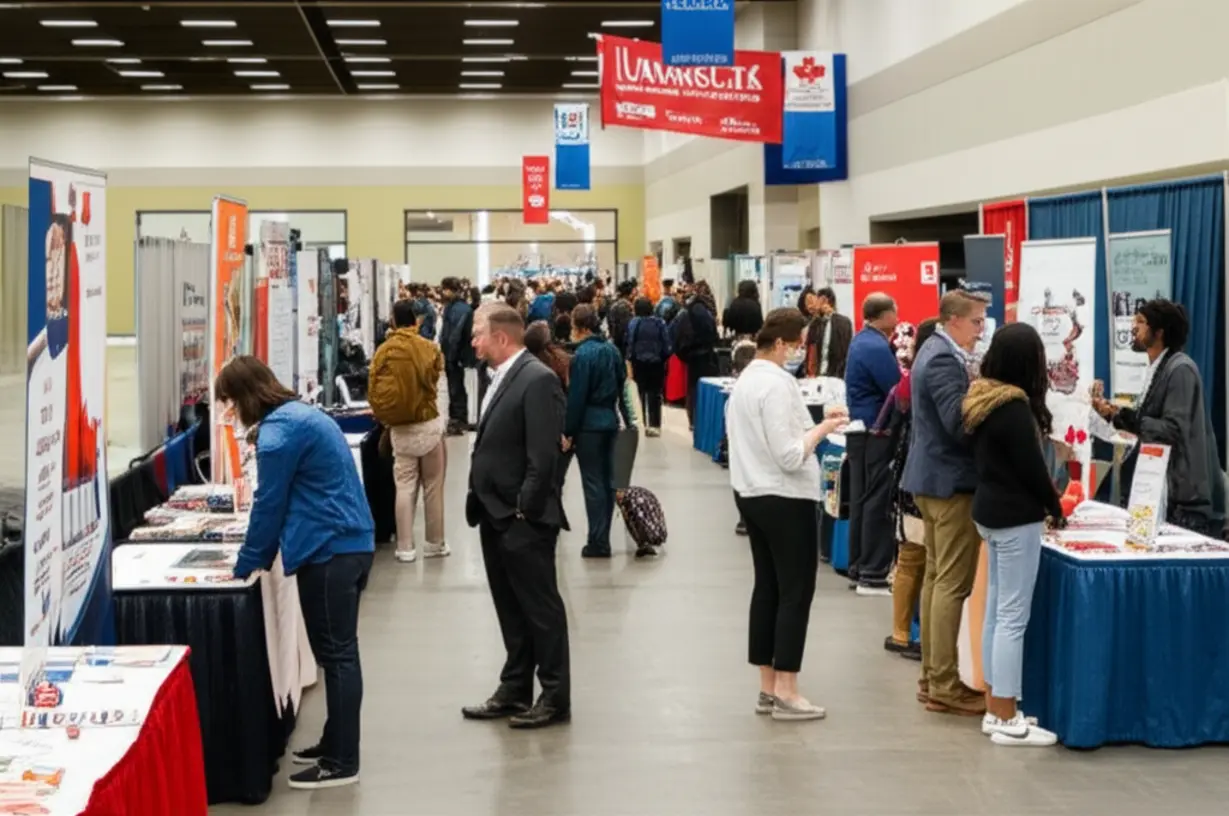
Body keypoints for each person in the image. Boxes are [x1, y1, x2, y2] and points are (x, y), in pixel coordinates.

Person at [216, 356, 374, 790]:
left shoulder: (278, 433)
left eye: (228, 402)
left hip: (329, 553)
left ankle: (343, 761)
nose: (228, 413)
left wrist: (248, 561)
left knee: (338, 656)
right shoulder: (299, 415)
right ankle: (335, 741)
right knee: (338, 654)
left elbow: (269, 504)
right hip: (346, 544)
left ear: (243, 396)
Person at [728, 308, 848, 722]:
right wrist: (824, 429)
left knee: (769, 589)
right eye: (797, 345)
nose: (800, 353)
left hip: (752, 493)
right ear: (781, 344)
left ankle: (767, 686)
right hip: (784, 497)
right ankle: (788, 690)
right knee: (795, 593)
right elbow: (790, 454)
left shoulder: (746, 380)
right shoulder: (776, 386)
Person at [462, 303, 571, 729]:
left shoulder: (537, 380)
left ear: (501, 337)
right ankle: (514, 688)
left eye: (478, 333)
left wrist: (524, 509)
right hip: (494, 514)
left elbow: (543, 456)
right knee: (510, 608)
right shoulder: (501, 379)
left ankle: (555, 696)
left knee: (541, 610)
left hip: (522, 519)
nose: (472, 340)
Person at [962, 322, 1064, 746]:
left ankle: (995, 708)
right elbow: (1033, 471)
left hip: (989, 512)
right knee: (1012, 618)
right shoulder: (1014, 407)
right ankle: (1006, 716)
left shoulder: (982, 399)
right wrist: (1056, 507)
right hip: (1016, 517)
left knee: (996, 614)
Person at [902, 289, 988, 716]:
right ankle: (943, 684)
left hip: (937, 479)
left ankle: (934, 677)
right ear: (954, 319)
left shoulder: (937, 352)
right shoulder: (940, 358)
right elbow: (957, 421)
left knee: (938, 580)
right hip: (949, 483)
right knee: (950, 583)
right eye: (976, 321)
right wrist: (990, 397)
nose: (981, 329)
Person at [1093, 299, 1225, 537]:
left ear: (1159, 332)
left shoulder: (1180, 370)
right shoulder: (1161, 368)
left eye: (1141, 322)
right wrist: (1112, 414)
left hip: (1184, 504)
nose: (1134, 328)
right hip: (1161, 496)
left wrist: (1128, 419)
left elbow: (1172, 430)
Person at [875, 317, 938, 660]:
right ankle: (924, 634)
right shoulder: (931, 381)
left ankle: (900, 632)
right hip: (924, 481)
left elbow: (886, 425)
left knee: (908, 558)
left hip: (904, 477)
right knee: (928, 561)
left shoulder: (906, 383)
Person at [367, 299, 447, 563]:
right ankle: (434, 543)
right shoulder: (428, 348)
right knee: (433, 486)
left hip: (399, 429)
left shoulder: (383, 351)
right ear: (417, 320)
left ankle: (404, 547)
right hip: (428, 424)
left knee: (404, 486)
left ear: (392, 320)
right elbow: (435, 380)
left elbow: (373, 388)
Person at [843, 293, 901, 595]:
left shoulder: (863, 341)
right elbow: (895, 388)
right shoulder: (875, 346)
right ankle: (873, 571)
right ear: (886, 315)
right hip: (874, 431)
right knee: (876, 500)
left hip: (862, 431)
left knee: (863, 500)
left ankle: (859, 566)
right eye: (895, 310)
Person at [566, 304, 633, 558]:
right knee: (608, 482)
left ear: (580, 328)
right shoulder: (612, 351)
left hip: (588, 427)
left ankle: (598, 540)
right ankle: (603, 536)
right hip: (610, 421)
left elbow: (577, 397)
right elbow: (621, 387)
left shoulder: (582, 356)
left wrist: (568, 430)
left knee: (592, 482)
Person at [672, 280, 720, 428]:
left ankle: (693, 419)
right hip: (704, 353)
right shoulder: (702, 309)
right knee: (704, 386)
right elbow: (710, 331)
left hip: (692, 353)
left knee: (692, 387)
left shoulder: (689, 308)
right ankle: (702, 419)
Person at [625, 296, 672, 437]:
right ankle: (655, 424)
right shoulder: (660, 323)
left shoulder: (634, 323)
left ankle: (644, 423)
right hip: (656, 363)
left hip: (639, 362)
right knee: (655, 394)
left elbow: (630, 342)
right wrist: (663, 357)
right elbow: (666, 344)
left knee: (641, 392)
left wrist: (630, 359)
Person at [439, 276, 474, 435]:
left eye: (445, 289)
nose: (442, 292)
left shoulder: (460, 309)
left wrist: (451, 356)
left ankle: (459, 419)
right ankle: (456, 418)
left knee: (456, 388)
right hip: (452, 354)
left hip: (456, 355)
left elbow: (455, 335)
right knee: (454, 387)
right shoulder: (452, 307)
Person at [802, 287, 852, 378]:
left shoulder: (843, 322)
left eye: (815, 300)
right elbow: (811, 351)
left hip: (836, 376)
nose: (810, 306)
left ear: (823, 300)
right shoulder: (815, 323)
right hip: (817, 376)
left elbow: (844, 352)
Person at [616, 486, 666, 558]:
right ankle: (651, 539)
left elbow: (633, 521)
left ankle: (645, 542)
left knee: (637, 521)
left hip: (641, 509)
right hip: (649, 507)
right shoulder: (635, 494)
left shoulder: (630, 501)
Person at [606, 279, 637, 359]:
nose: (636, 293)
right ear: (629, 294)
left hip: (615, 344)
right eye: (634, 291)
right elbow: (624, 330)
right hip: (623, 347)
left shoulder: (614, 305)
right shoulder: (624, 307)